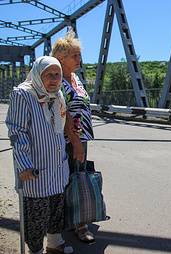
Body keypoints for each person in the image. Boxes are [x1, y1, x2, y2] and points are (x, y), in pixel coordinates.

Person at [6, 56, 74, 254]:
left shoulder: (58, 95)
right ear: (37, 74)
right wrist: (24, 164)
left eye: (57, 74)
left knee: (56, 209)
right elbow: (17, 131)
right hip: (35, 168)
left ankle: (54, 244)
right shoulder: (23, 94)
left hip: (57, 165)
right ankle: (35, 251)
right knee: (36, 216)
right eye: (48, 75)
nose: (54, 79)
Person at [51, 29, 96, 243]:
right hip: (68, 140)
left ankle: (75, 219)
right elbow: (65, 113)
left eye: (79, 54)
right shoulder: (57, 80)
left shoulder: (75, 78)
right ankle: (77, 225)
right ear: (61, 58)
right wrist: (76, 143)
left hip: (81, 138)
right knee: (69, 180)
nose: (79, 59)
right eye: (75, 55)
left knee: (77, 177)